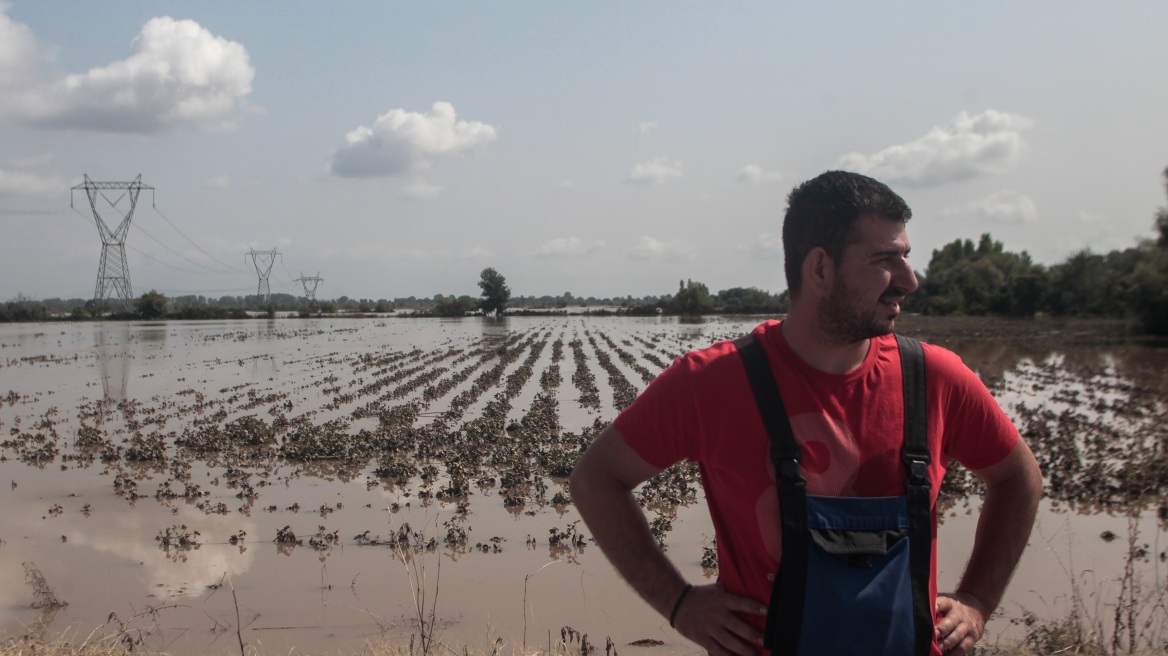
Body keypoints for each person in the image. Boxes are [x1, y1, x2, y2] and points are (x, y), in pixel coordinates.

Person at [569, 170, 1042, 656]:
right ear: (820, 269)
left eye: (906, 257)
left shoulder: (936, 379)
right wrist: (679, 603)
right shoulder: (711, 383)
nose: (909, 280)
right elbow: (596, 479)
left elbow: (1018, 477)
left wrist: (977, 601)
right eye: (885, 259)